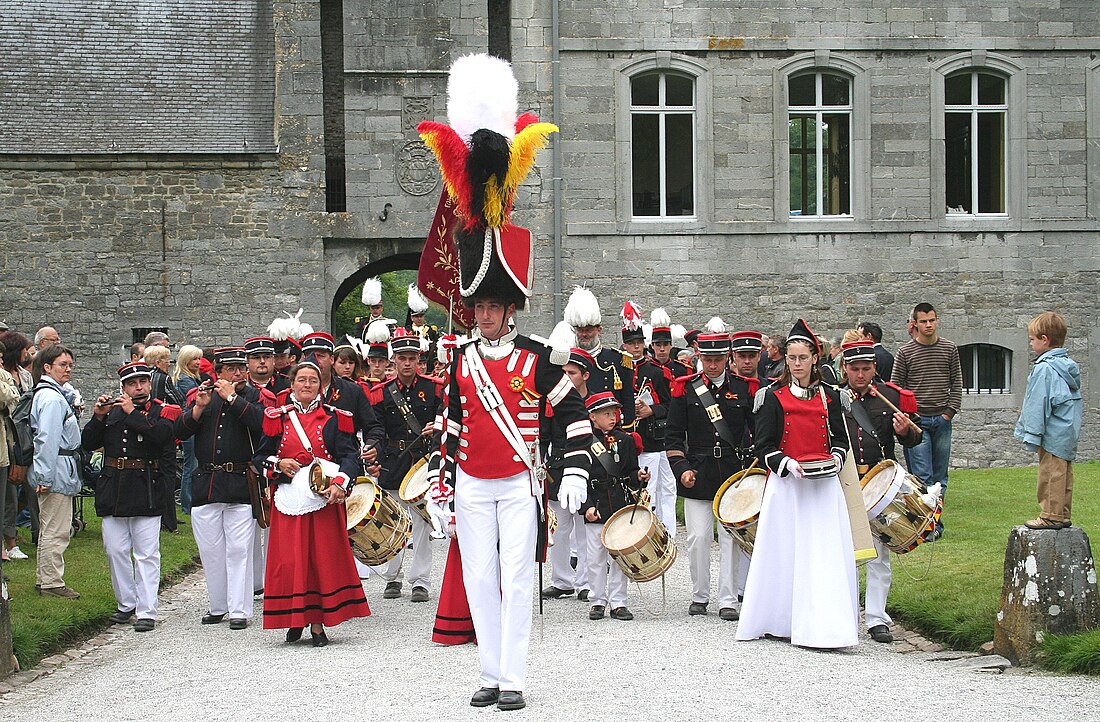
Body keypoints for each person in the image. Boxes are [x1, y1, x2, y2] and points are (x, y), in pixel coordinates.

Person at [417, 53, 584, 711]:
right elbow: (451, 425)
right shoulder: (459, 359)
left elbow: (570, 410)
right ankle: (489, 672)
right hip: (472, 483)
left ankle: (514, 678)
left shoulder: (539, 355)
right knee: (481, 579)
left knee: (519, 578)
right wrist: (439, 482)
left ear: (509, 309)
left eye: (495, 307)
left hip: (517, 482)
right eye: (479, 306)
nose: (486, 315)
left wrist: (571, 469)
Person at [736, 319, 859, 649]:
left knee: (822, 552)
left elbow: (839, 439)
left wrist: (835, 458)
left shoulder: (831, 396)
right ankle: (780, 618)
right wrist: (787, 464)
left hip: (822, 485)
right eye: (792, 358)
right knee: (785, 552)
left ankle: (825, 622)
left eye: (803, 358)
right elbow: (763, 447)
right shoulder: (772, 397)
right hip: (788, 486)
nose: (797, 364)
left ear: (814, 358)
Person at [254, 358, 370, 645]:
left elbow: (349, 456)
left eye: (313, 380)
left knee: (320, 561)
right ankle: (295, 618)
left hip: (323, 500)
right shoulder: (275, 417)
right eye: (302, 379)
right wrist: (279, 463)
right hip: (289, 499)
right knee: (290, 560)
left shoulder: (335, 417)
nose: (307, 385)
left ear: (321, 386)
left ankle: (318, 623)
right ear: (292, 383)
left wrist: (342, 484)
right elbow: (259, 458)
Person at [82, 362, 181, 631]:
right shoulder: (112, 412)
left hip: (145, 487)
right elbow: (88, 443)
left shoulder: (162, 411)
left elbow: (162, 437)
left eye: (142, 383)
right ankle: (126, 603)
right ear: (123, 387)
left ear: (149, 384)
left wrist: (131, 413)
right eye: (132, 384)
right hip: (114, 487)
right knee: (115, 550)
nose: (138, 388)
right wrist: (98, 417)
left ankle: (147, 609)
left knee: (147, 553)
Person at [174, 347, 267, 629]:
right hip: (207, 484)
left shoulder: (252, 396)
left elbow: (262, 424)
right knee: (211, 550)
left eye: (241, 367)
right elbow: (180, 432)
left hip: (240, 483)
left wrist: (233, 398)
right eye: (230, 368)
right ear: (218, 371)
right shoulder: (202, 395)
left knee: (239, 549)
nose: (238, 372)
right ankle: (218, 605)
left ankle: (240, 610)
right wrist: (198, 409)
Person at [666, 329, 755, 620]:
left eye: (718, 359)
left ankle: (727, 599)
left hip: (732, 473)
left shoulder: (745, 389)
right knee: (698, 537)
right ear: (699, 358)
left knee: (730, 537)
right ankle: (699, 594)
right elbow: (674, 437)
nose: (713, 365)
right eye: (707, 359)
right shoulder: (685, 389)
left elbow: (755, 433)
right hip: (698, 470)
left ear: (727, 357)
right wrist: (682, 470)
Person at [837, 341, 921, 643]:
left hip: (879, 485)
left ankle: (876, 618)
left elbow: (915, 437)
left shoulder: (891, 397)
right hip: (843, 483)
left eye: (866, 369)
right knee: (843, 552)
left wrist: (905, 431)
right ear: (845, 368)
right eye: (854, 369)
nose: (860, 375)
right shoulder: (835, 398)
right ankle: (843, 614)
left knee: (879, 554)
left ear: (874, 368)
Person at [368, 328, 443, 602]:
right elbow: (375, 428)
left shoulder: (434, 388)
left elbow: (446, 418)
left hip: (422, 462)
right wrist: (374, 456)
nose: (408, 363)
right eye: (402, 358)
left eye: (412, 357)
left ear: (419, 360)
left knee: (423, 522)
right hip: (393, 461)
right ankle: (392, 577)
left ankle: (420, 580)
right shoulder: (380, 393)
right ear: (394, 360)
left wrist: (436, 427)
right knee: (392, 520)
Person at [891, 302, 962, 536]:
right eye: (923, 321)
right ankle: (925, 526)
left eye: (932, 320)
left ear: (937, 320)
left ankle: (936, 524)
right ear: (915, 324)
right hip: (917, 423)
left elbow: (957, 382)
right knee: (922, 477)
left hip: (942, 420)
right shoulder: (905, 352)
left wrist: (949, 412)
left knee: (941, 477)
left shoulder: (949, 349)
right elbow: (896, 389)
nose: (928, 325)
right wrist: (909, 419)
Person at [579, 392, 648, 621]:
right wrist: (587, 506)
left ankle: (619, 602)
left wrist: (638, 475)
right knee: (595, 557)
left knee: (620, 557)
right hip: (596, 506)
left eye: (614, 413)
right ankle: (597, 600)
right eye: (606, 414)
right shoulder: (584, 442)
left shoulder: (626, 440)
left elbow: (630, 471)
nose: (612, 417)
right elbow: (579, 479)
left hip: (620, 504)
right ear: (592, 417)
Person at [1014, 312, 1083, 530]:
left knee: (1050, 474)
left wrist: (1031, 435)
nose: (1031, 344)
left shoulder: (1045, 369)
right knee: (1063, 473)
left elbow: (1038, 405)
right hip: (1066, 431)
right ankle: (1062, 512)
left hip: (1052, 433)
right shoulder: (1067, 366)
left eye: (1033, 339)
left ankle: (1051, 515)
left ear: (1045, 340)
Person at [541, 346, 595, 601]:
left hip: (587, 468)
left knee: (584, 529)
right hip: (557, 469)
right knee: (559, 529)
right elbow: (543, 437)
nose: (566, 378)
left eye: (571, 373)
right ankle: (561, 580)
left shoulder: (598, 401)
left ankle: (586, 581)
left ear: (585, 375)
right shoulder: (552, 402)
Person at [29, 344, 83, 598]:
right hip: (57, 469)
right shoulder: (51, 398)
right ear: (47, 367)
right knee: (57, 528)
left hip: (60, 467)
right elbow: (47, 438)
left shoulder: (53, 394)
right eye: (63, 365)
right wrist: (44, 476)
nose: (68, 369)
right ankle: (52, 582)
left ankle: (45, 579)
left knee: (50, 525)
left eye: (70, 365)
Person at [629, 307, 680, 539]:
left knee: (662, 489)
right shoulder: (616, 368)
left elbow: (671, 407)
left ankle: (665, 531)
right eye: (631, 343)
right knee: (637, 489)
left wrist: (652, 411)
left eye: (639, 342)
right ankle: (639, 532)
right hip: (627, 437)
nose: (636, 347)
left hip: (653, 438)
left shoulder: (657, 372)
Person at [564, 287, 636, 432]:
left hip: (611, 432)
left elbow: (628, 402)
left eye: (589, 329)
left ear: (599, 330)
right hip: (577, 428)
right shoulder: (567, 362)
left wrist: (627, 433)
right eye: (580, 330)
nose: (584, 334)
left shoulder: (618, 360)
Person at [1, 331, 36, 558]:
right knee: (9, 491)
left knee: (27, 483)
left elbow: (26, 399)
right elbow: (8, 400)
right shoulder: (4, 375)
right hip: (7, 433)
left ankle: (31, 533)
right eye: (24, 349)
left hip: (23, 431)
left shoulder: (25, 375)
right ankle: (9, 541)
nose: (27, 354)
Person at [171, 345, 204, 515]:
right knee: (190, 466)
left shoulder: (190, 378)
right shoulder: (185, 380)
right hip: (189, 427)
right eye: (194, 359)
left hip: (191, 427)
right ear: (185, 361)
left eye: (199, 358)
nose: (198, 362)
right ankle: (187, 504)